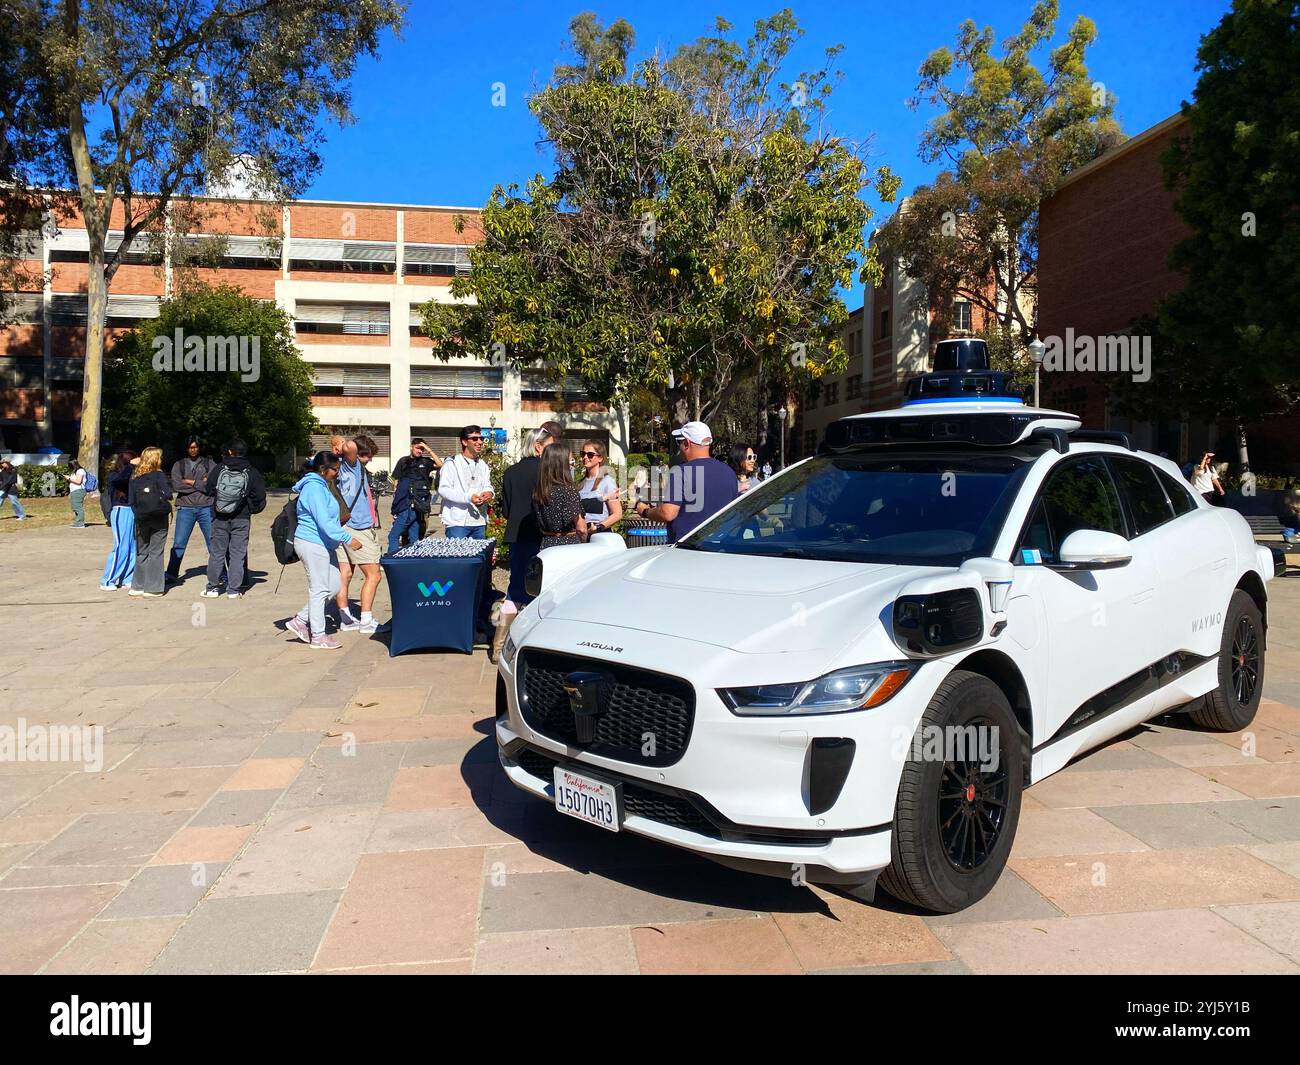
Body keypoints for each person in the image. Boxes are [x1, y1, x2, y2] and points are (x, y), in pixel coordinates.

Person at [285, 451, 364, 650]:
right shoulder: (313, 489)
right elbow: (324, 522)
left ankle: (300, 620)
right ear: (322, 469)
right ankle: (318, 635)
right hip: (312, 542)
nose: (336, 473)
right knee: (319, 588)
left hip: (324, 544)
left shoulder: (321, 486)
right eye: (334, 470)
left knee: (335, 585)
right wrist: (348, 539)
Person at [634, 421, 737, 541]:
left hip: (688, 549)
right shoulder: (729, 472)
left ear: (687, 443)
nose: (679, 447)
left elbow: (668, 513)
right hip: (721, 545)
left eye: (679, 442)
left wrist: (645, 511)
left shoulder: (681, 472)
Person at [202, 438, 266, 599]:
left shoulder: (219, 468)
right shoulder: (251, 471)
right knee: (238, 554)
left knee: (217, 553)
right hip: (242, 517)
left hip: (219, 516)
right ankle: (234, 590)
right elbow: (260, 496)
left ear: (230, 451)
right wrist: (251, 508)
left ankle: (213, 588)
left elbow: (208, 489)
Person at [334, 434, 383, 633]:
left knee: (344, 574)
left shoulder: (341, 468)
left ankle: (345, 618)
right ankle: (366, 620)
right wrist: (341, 442)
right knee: (374, 574)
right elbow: (351, 446)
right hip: (357, 527)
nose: (369, 460)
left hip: (341, 525)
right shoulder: (351, 465)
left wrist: (337, 445)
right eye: (367, 456)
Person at [501, 426, 554, 606]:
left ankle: (503, 630)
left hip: (516, 535)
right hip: (541, 535)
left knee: (516, 585)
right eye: (550, 447)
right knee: (538, 586)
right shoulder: (546, 472)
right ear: (538, 447)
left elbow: (506, 511)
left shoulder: (510, 472)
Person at [165, 436, 215, 584]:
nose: (193, 450)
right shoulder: (178, 465)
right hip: (185, 508)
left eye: (196, 447)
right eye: (190, 447)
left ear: (200, 448)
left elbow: (211, 485)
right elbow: (177, 486)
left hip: (206, 506)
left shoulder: (209, 464)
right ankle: (172, 573)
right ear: (186, 448)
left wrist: (190, 482)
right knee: (179, 543)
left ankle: (219, 572)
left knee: (213, 543)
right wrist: (201, 484)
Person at [127, 447, 173, 597]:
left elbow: (131, 500)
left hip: (141, 518)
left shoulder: (135, 477)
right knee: (156, 552)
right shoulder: (159, 475)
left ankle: (137, 586)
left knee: (142, 551)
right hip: (159, 517)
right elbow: (168, 494)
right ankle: (153, 588)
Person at [438, 424, 493, 538]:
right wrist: (468, 497)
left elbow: (488, 485)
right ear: (464, 442)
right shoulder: (452, 463)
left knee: (479, 556)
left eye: (481, 438)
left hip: (479, 521)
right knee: (458, 556)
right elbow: (443, 490)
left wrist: (489, 493)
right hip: (457, 523)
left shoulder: (483, 465)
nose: (479, 442)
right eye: (474, 439)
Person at [388, 437, 440, 553]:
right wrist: (396, 501)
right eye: (418, 448)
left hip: (417, 504)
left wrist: (429, 450)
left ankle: (392, 558)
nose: (420, 451)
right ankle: (412, 558)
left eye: (422, 449)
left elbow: (440, 464)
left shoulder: (425, 462)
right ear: (411, 446)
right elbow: (396, 480)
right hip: (404, 502)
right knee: (413, 535)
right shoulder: (403, 461)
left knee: (393, 536)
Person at [533, 443, 586, 548]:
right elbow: (581, 528)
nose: (573, 465)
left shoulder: (539, 491)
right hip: (568, 545)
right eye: (571, 461)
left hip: (547, 544)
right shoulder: (569, 491)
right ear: (562, 464)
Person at [100, 451, 138, 589]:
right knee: (121, 546)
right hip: (120, 510)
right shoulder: (114, 475)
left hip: (132, 511)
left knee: (133, 547)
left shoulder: (133, 475)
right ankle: (107, 580)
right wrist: (130, 466)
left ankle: (127, 577)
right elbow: (120, 481)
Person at [578, 439, 622, 534]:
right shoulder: (580, 484)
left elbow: (617, 514)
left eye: (590, 454)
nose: (585, 457)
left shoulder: (607, 481)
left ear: (600, 458)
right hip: (582, 534)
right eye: (583, 454)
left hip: (600, 533)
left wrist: (598, 527)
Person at [65, 460, 88, 527]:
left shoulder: (80, 471)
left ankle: (80, 523)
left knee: (78, 507)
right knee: (75, 507)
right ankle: (77, 522)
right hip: (74, 491)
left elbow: (78, 481)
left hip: (78, 491)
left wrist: (69, 478)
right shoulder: (75, 471)